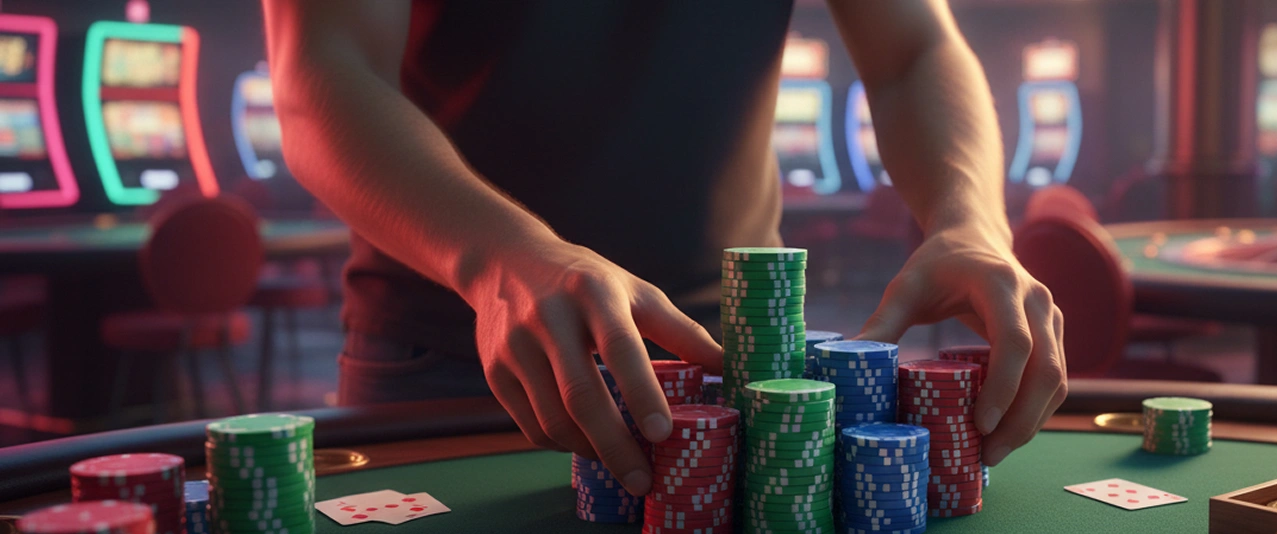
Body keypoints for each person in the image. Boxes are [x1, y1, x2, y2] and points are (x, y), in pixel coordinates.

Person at [263, 0, 1067, 497]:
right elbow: (323, 74)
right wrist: (498, 258)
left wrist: (974, 220)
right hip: (450, 351)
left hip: (738, 367)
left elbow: (914, 51)